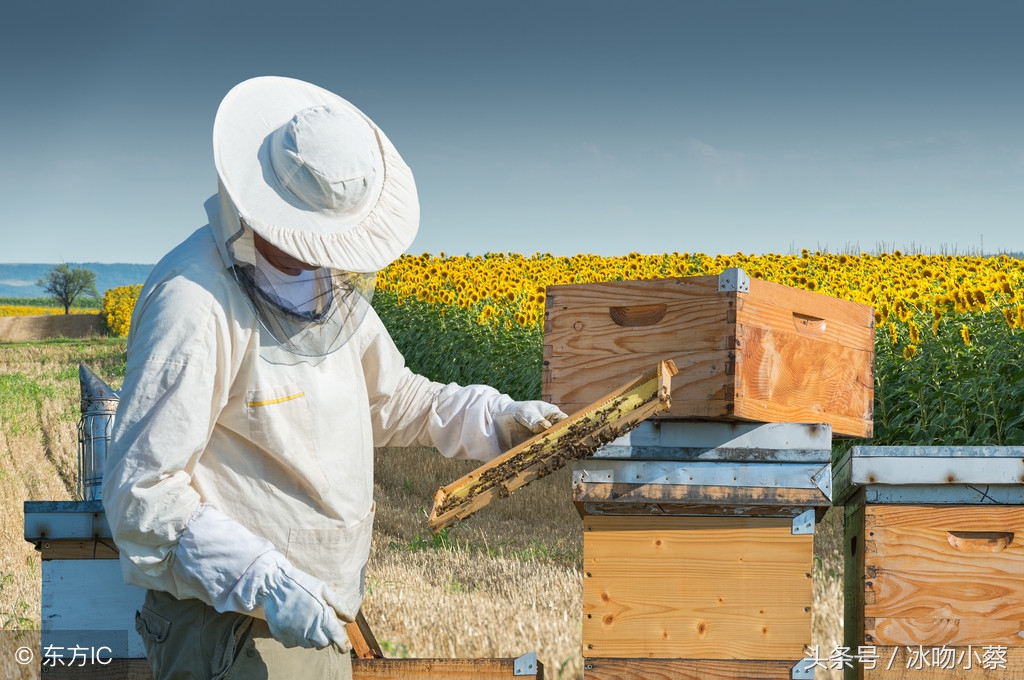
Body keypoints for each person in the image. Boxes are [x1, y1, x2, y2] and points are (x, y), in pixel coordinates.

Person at [101, 75, 567, 680]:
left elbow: (393, 399)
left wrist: (498, 419)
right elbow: (144, 493)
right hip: (231, 629)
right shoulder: (194, 302)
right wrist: (260, 578)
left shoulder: (322, 285)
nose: (326, 253)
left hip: (314, 619)